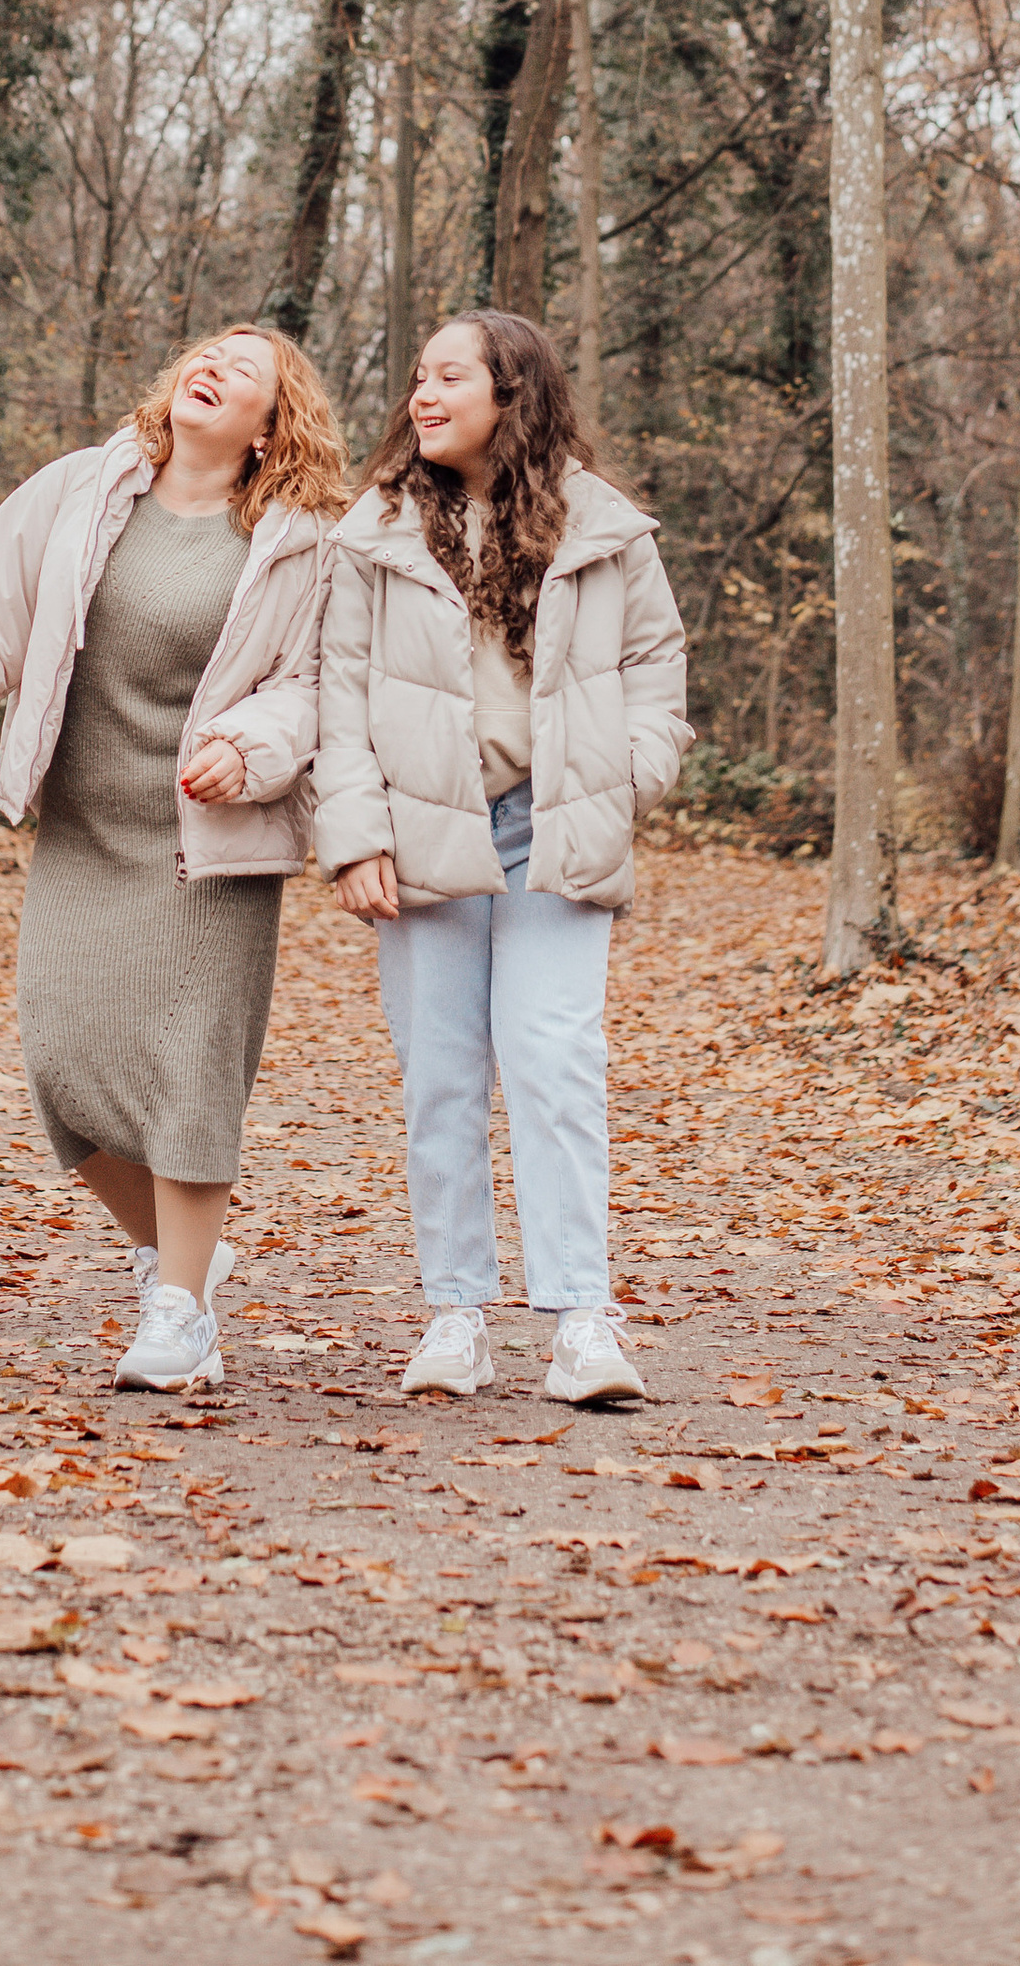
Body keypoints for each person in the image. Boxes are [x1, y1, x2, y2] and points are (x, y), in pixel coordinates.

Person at [0, 326, 350, 1392]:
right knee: (64, 1076)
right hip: (84, 832)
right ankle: (185, 1253)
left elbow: (319, 685)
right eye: (207, 352)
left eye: (245, 370)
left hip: (207, 850)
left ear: (272, 428)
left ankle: (180, 1312)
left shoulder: (301, 539)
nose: (211, 367)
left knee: (188, 1076)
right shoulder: (82, 492)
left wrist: (250, 748)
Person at [314, 309, 690, 1407]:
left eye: (447, 377)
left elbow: (658, 671)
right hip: (425, 830)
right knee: (440, 1076)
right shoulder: (374, 531)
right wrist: (355, 836)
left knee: (553, 1060)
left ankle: (583, 1318)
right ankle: (455, 1317)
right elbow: (338, 695)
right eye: (417, 377)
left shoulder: (606, 528)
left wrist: (623, 784)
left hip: (556, 828)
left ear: (510, 394)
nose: (421, 396)